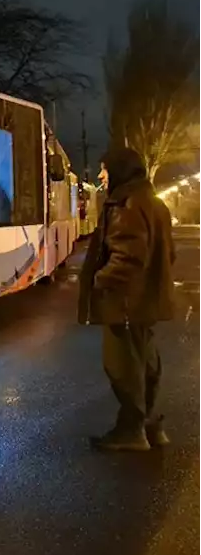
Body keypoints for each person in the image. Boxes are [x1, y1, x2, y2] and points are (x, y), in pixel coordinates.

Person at [78, 147, 175, 451]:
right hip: (144, 300)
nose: (100, 176)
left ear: (120, 170)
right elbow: (167, 253)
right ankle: (150, 425)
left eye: (105, 169)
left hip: (125, 302)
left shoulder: (126, 204)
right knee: (145, 363)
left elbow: (127, 256)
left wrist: (98, 280)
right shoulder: (152, 202)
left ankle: (132, 430)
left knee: (122, 365)